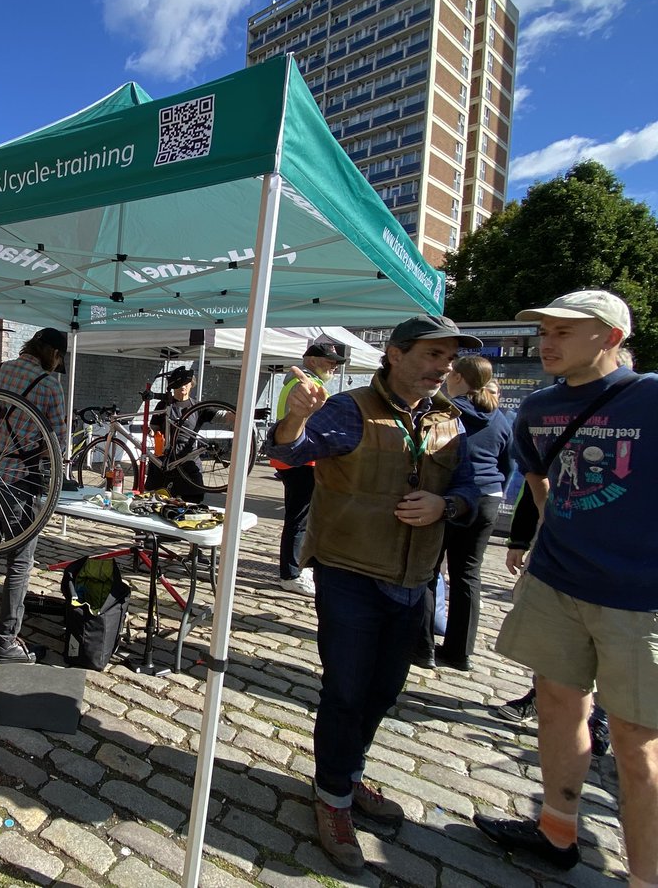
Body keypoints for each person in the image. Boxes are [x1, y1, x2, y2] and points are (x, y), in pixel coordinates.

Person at [266, 313, 482, 875]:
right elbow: (288, 456)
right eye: (434, 355)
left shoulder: (449, 419)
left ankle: (347, 776)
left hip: (414, 579)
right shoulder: (349, 408)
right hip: (349, 572)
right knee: (346, 691)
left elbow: (470, 488)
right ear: (395, 353)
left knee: (384, 692)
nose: (444, 367)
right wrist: (293, 420)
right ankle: (333, 797)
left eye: (450, 358)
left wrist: (447, 506)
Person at [475, 292, 655, 882]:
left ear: (609, 337)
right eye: (545, 331)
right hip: (557, 584)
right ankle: (556, 831)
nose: (546, 342)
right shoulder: (540, 408)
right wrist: (549, 543)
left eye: (564, 332)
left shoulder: (651, 397)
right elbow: (538, 480)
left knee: (637, 741)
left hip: (639, 596)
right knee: (556, 707)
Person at [0, 327, 67, 665]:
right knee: (19, 562)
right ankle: (7, 642)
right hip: (20, 484)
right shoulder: (49, 385)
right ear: (52, 352)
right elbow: (59, 443)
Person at [426, 355, 513, 671]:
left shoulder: (446, 412)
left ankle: (421, 646)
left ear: (459, 378)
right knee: (467, 575)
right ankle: (460, 652)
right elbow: (507, 465)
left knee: (429, 570)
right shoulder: (501, 417)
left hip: (448, 498)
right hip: (488, 498)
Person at [270, 339, 347, 596]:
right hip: (299, 458)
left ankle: (298, 567)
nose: (334, 366)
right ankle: (290, 573)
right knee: (299, 517)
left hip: (298, 457)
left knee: (303, 515)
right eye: (330, 361)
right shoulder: (305, 384)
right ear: (311, 360)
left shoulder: (306, 383)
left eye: (336, 363)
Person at [146, 366, 206, 503]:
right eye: (179, 384)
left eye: (186, 383)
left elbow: (222, 415)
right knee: (156, 501)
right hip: (164, 459)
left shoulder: (198, 407)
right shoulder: (163, 405)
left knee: (192, 501)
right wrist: (151, 432)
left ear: (191, 384)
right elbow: (154, 427)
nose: (182, 387)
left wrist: (244, 413)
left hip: (188, 459)